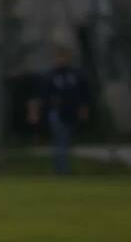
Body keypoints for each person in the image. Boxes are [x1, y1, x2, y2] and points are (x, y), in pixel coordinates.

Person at [30, 46, 90, 175]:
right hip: (56, 113)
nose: (60, 60)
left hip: (72, 113)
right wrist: (36, 112)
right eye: (58, 57)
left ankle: (61, 169)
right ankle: (62, 171)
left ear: (68, 59)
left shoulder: (76, 75)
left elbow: (84, 94)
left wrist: (83, 109)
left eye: (63, 57)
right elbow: (41, 96)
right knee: (60, 141)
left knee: (65, 142)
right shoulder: (50, 76)